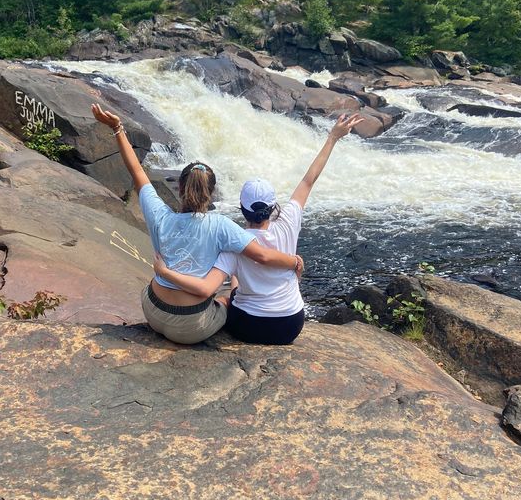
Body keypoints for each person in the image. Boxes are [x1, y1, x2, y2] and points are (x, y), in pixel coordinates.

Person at [91, 103, 304, 345]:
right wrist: (293, 261)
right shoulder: (221, 226)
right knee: (226, 299)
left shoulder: (160, 215)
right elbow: (263, 256)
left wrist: (118, 128)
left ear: (180, 188)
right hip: (190, 328)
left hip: (153, 311)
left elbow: (137, 172)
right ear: (211, 193)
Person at [154, 112, 363, 345]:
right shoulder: (288, 221)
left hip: (249, 326)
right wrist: (333, 137)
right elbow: (308, 180)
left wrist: (165, 273)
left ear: (241, 209)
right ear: (273, 206)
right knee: (235, 285)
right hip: (291, 324)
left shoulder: (234, 243)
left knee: (227, 295)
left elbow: (206, 287)